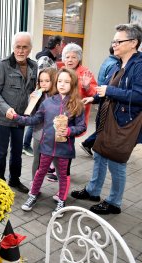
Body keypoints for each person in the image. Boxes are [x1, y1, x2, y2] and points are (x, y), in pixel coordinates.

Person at [71, 23, 142, 215]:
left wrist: (109, 90)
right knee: (100, 154)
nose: (114, 44)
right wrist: (93, 97)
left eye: (119, 41)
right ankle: (93, 191)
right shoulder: (119, 64)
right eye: (114, 41)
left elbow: (139, 96)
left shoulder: (139, 66)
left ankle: (114, 202)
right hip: (107, 118)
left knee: (116, 162)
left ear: (133, 43)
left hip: (123, 122)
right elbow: (107, 91)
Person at [8, 68, 86, 216]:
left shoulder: (77, 104)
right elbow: (35, 119)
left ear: (73, 84)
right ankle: (32, 196)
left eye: (67, 82)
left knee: (63, 175)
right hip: (47, 146)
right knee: (40, 172)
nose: (62, 84)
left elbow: (82, 126)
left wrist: (69, 131)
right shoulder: (48, 103)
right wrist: (17, 117)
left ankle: (62, 200)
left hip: (65, 148)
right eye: (60, 81)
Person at [0, 32, 38, 193]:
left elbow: (34, 90)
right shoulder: (2, 65)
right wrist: (5, 108)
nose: (21, 51)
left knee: (17, 151)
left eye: (25, 47)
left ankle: (14, 180)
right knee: (1, 152)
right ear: (13, 47)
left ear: (30, 48)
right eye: (18, 47)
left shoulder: (34, 66)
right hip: (3, 117)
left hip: (21, 119)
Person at [44, 43, 98, 183]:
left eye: (74, 57)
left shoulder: (85, 72)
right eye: (67, 56)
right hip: (59, 112)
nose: (70, 59)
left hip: (74, 114)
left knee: (67, 143)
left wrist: (87, 86)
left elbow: (94, 93)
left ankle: (62, 172)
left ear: (79, 59)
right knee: (56, 138)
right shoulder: (60, 70)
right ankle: (53, 166)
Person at [23, 35, 64, 157]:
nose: (62, 48)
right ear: (57, 46)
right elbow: (41, 79)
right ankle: (26, 145)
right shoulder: (45, 59)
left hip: (46, 95)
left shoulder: (50, 58)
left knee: (38, 120)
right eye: (61, 45)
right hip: (41, 96)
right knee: (36, 120)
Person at [79, 46, 120, 157]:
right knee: (104, 130)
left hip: (102, 98)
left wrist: (95, 97)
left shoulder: (109, 61)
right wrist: (96, 97)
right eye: (116, 43)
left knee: (102, 129)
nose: (117, 45)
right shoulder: (115, 65)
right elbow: (107, 86)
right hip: (106, 102)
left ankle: (89, 144)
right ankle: (89, 144)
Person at [28, 67, 58, 187]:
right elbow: (30, 114)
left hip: (54, 134)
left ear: (54, 81)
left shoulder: (58, 97)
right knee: (37, 159)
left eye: (47, 80)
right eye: (41, 81)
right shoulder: (38, 95)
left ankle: (62, 190)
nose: (43, 83)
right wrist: (31, 100)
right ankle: (34, 183)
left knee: (56, 160)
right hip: (39, 133)